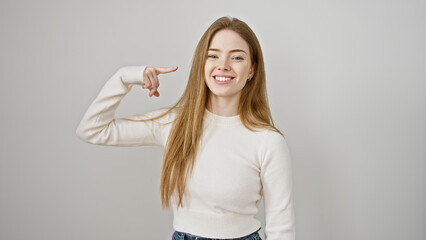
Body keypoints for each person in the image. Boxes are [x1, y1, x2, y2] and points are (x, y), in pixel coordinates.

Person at [76, 16, 295, 240]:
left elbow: (281, 230)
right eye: (213, 55)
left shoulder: (268, 141)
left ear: (251, 70)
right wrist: (124, 77)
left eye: (237, 57)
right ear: (202, 63)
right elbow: (92, 129)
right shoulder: (175, 124)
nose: (223, 65)